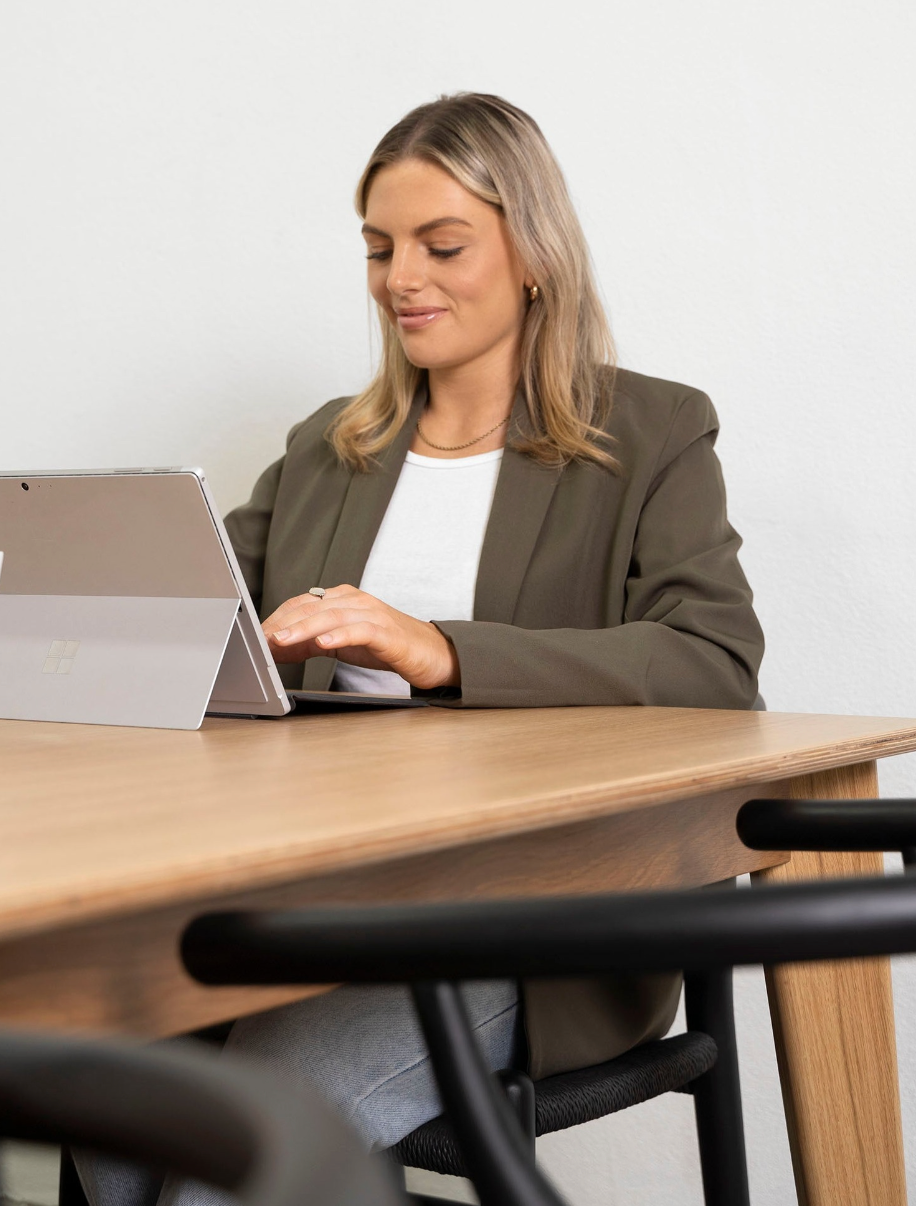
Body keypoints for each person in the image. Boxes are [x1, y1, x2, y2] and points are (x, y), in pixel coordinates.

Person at [77, 92, 763, 1205]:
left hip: (530, 920)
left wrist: (443, 652)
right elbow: (204, 624)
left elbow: (716, 664)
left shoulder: (651, 433)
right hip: (309, 901)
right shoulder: (328, 447)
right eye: (380, 247)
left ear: (533, 254)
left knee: (242, 1131)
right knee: (103, 1087)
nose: (401, 277)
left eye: (442, 245)